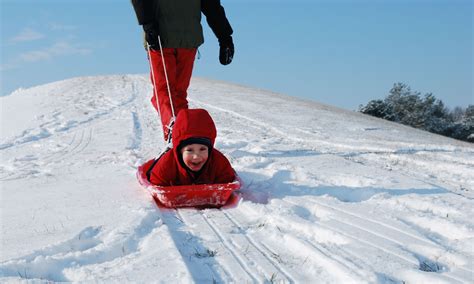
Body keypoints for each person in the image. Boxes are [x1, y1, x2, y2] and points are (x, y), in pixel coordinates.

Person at [131, 0, 235, 142]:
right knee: (176, 93)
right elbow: (212, 7)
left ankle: (176, 130)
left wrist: (148, 25)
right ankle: (183, 132)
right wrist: (224, 37)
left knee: (164, 91)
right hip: (185, 39)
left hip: (161, 37)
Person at [146, 108, 236, 186]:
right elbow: (157, 181)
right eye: (189, 150)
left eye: (202, 149)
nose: (196, 156)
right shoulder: (167, 163)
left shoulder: (218, 161)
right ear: (180, 151)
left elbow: (227, 178)